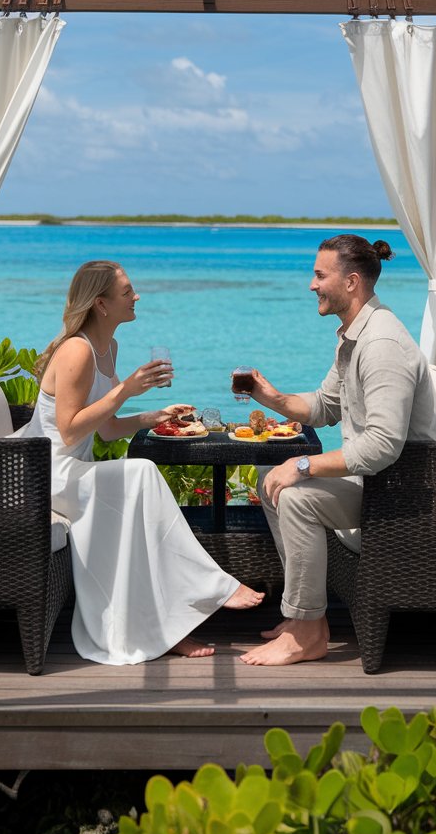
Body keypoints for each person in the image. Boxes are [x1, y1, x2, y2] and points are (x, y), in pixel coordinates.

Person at [20, 259, 264, 665]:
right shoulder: (77, 351)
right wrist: (128, 389)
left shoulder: (107, 347)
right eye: (127, 291)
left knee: (140, 492)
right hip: (48, 473)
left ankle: (165, 629)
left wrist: (154, 417)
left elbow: (109, 430)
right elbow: (68, 431)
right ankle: (212, 586)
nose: (137, 296)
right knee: (142, 474)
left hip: (73, 470)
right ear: (101, 304)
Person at [239, 234, 436, 668]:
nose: (311, 285)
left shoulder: (381, 345)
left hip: (398, 491)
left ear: (351, 282)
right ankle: (305, 618)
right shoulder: (354, 334)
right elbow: (324, 406)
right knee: (270, 481)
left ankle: (308, 630)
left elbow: (384, 444)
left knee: (295, 494)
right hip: (375, 482)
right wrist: (271, 398)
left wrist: (306, 463)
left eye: (319, 275)